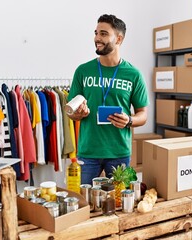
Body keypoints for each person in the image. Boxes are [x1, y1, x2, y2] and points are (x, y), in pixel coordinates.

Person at [67, 14, 149, 184]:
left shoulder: (133, 75)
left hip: (119, 153)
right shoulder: (82, 71)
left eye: (103, 34)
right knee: (86, 204)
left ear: (119, 39)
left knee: (119, 204)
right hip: (88, 152)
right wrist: (78, 114)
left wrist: (129, 121)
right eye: (96, 33)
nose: (97, 38)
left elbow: (143, 115)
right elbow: (70, 113)